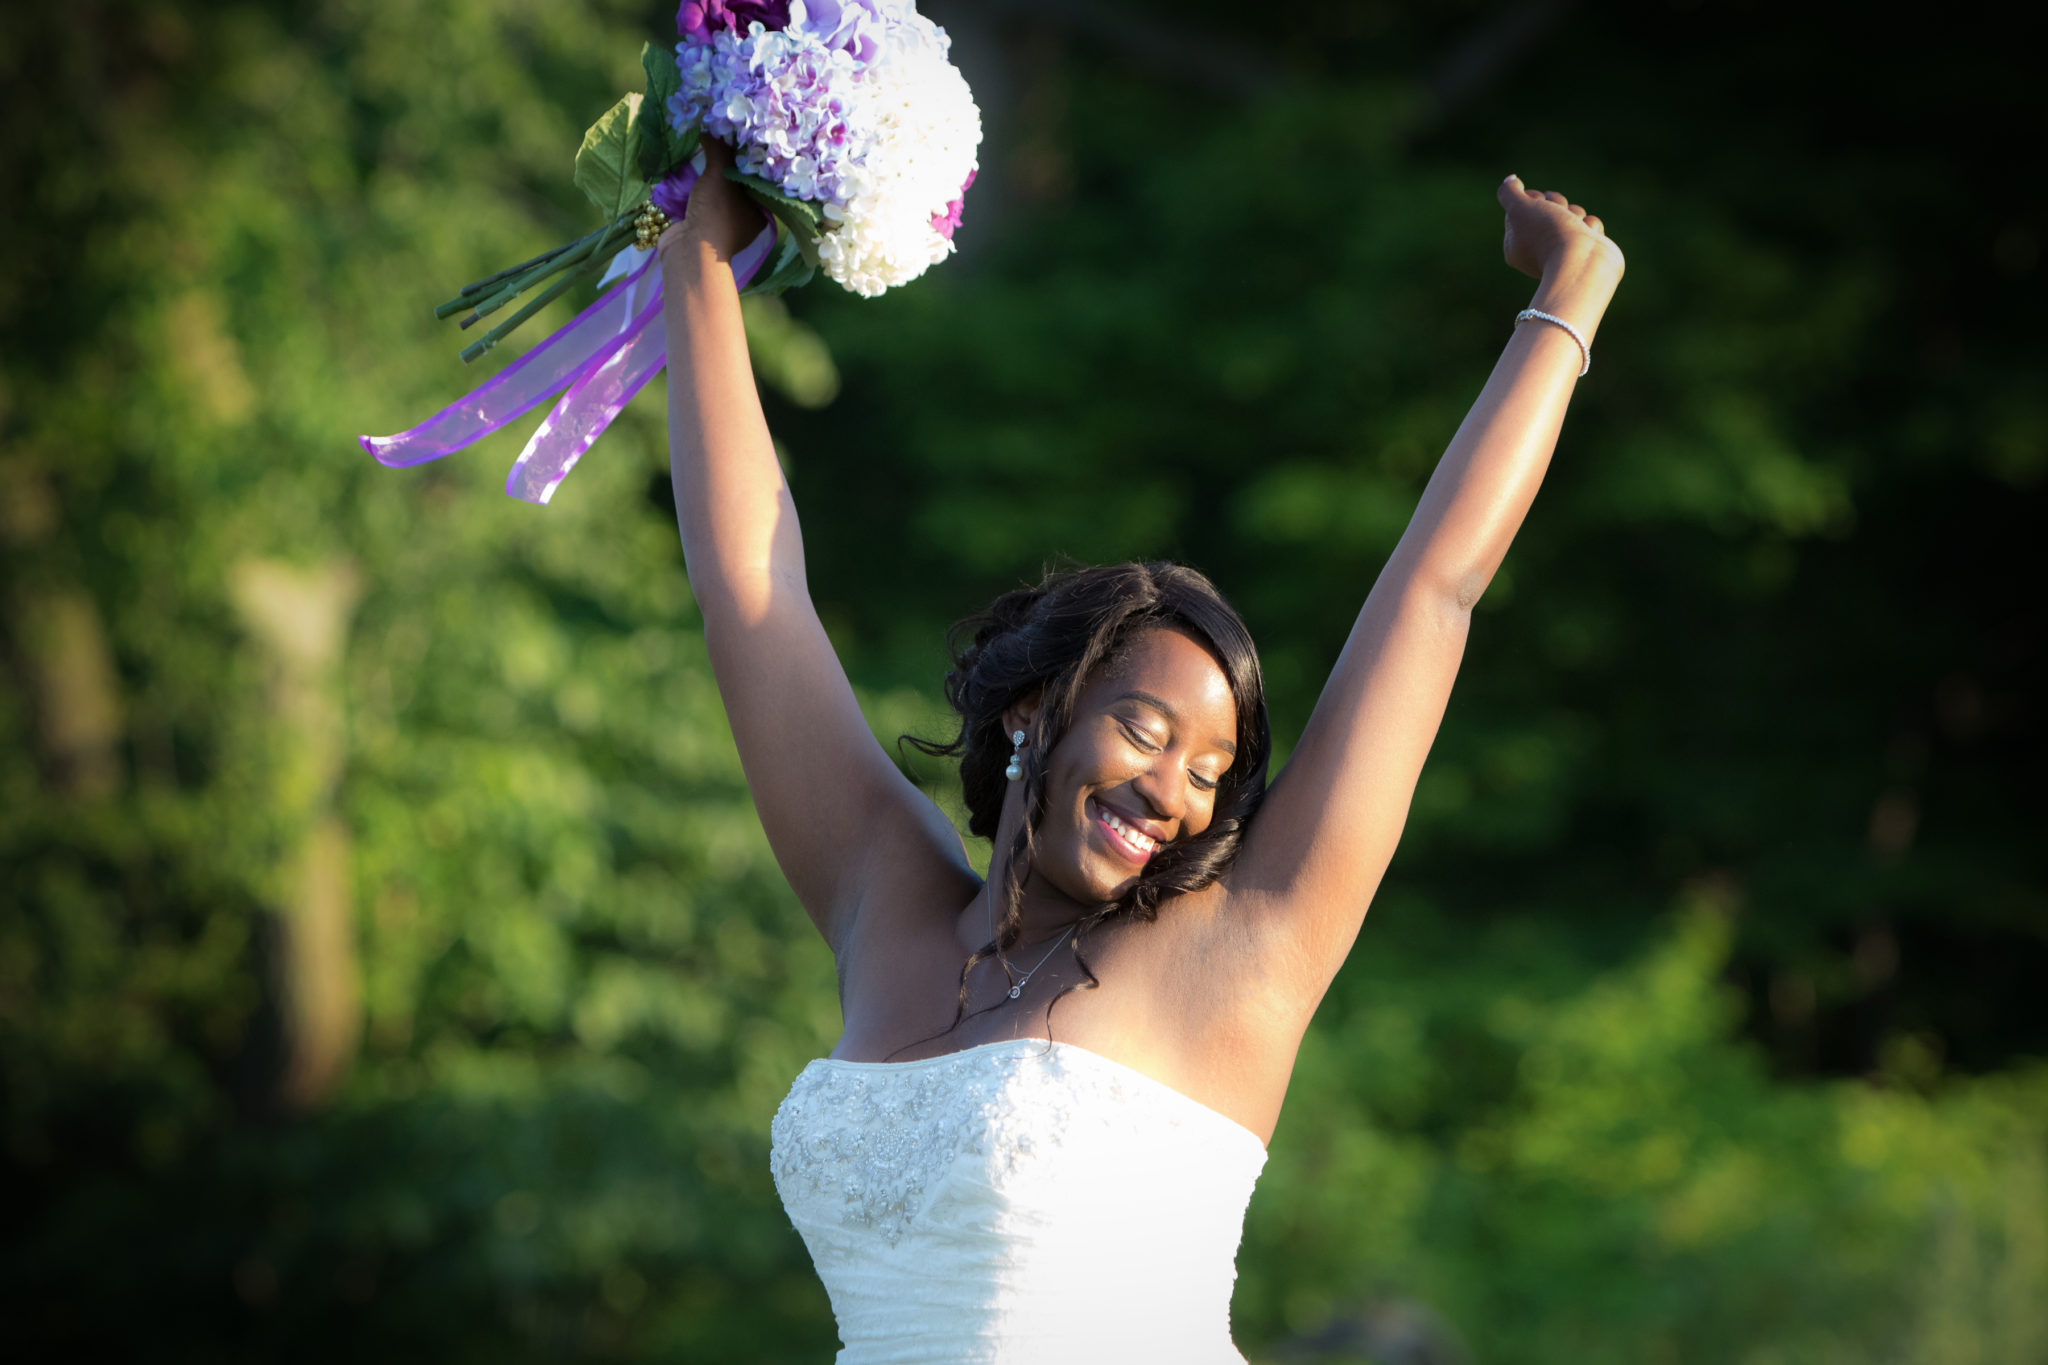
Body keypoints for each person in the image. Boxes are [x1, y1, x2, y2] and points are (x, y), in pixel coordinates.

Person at [659, 138, 1624, 1363]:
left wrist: (1565, 301)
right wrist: (699, 236)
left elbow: (1433, 591)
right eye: (1144, 728)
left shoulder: (1237, 951)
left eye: (1211, 771)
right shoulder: (882, 901)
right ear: (1032, 711)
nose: (1171, 790)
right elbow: (750, 590)